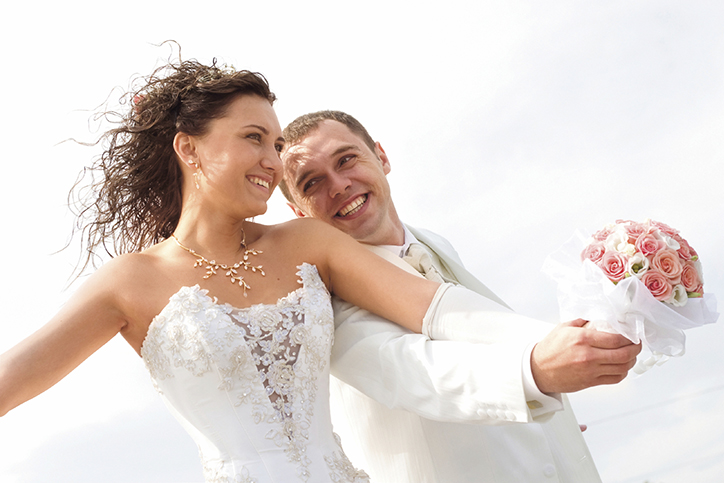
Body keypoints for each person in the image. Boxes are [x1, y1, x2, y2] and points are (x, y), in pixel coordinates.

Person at [0, 58, 485, 483]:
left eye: (275, 145)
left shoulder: (308, 244)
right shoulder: (130, 281)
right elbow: (13, 379)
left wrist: (535, 352)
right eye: (254, 138)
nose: (273, 162)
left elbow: (438, 309)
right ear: (189, 150)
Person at [279, 110, 643, 483]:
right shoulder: (321, 299)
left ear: (381, 157)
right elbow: (415, 372)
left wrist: (542, 422)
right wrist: (535, 372)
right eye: (312, 183)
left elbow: (482, 336)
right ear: (297, 212)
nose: (338, 185)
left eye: (346, 159)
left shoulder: (434, 242)